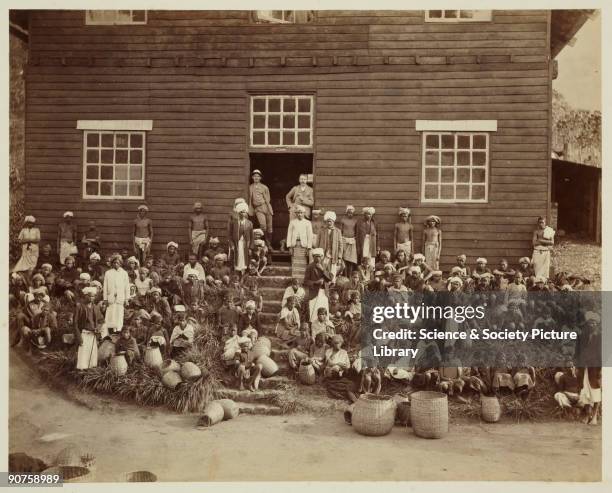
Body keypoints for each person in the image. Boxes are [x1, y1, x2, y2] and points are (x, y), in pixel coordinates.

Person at [74, 287, 103, 369]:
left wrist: (98, 328)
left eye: (93, 296)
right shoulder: (79, 307)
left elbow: (101, 320)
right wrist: (78, 337)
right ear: (85, 296)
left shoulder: (96, 307)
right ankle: (81, 372)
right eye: (89, 296)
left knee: (92, 356)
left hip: (93, 334)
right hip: (84, 333)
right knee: (83, 355)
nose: (91, 298)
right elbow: (75, 323)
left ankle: (90, 371)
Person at [103, 253, 131, 334]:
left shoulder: (124, 273)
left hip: (120, 298)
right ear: (112, 263)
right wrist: (105, 299)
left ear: (120, 263)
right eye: (114, 262)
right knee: (111, 315)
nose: (116, 264)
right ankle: (110, 331)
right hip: (111, 298)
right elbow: (105, 287)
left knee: (119, 315)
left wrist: (126, 299)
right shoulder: (108, 273)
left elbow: (127, 287)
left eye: (117, 262)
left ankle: (118, 331)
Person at [304, 248, 332, 322]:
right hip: (314, 293)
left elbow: (330, 278)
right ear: (313, 257)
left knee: (324, 310)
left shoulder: (325, 266)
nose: (318, 258)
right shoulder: (309, 267)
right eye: (316, 256)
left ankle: (324, 326)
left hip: (324, 292)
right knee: (314, 312)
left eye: (319, 256)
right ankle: (313, 326)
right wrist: (316, 282)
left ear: (322, 257)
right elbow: (305, 281)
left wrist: (322, 269)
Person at [286, 204, 313, 280]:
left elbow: (310, 236)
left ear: (304, 213)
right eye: (298, 213)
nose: (299, 214)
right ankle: (295, 280)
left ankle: (301, 280)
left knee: (302, 264)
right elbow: (289, 234)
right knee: (295, 263)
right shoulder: (292, 222)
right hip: (295, 245)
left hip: (303, 245)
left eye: (301, 212)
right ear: (296, 213)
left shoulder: (307, 223)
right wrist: (290, 247)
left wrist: (309, 247)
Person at [317, 211, 343, 283]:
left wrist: (339, 257)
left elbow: (341, 245)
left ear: (333, 221)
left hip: (333, 254)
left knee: (333, 270)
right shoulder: (322, 230)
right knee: (323, 268)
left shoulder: (338, 231)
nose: (329, 223)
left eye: (330, 221)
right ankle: (323, 284)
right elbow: (317, 243)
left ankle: (332, 284)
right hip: (324, 254)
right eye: (328, 221)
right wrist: (317, 254)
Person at [229, 202, 254, 275]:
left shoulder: (249, 223)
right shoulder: (233, 222)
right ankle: (236, 274)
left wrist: (250, 248)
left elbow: (252, 237)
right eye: (242, 212)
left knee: (245, 260)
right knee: (237, 259)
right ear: (238, 212)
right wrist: (232, 245)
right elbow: (230, 235)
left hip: (246, 244)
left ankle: (244, 274)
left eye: (245, 212)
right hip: (237, 244)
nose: (243, 213)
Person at [248, 169, 273, 237]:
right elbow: (250, 199)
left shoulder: (264, 187)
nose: (256, 177)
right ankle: (265, 242)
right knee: (263, 225)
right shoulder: (250, 187)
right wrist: (251, 208)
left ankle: (269, 244)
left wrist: (266, 205)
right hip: (258, 209)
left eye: (258, 176)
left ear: (260, 178)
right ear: (252, 177)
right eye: (255, 176)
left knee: (269, 226)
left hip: (266, 207)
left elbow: (268, 198)